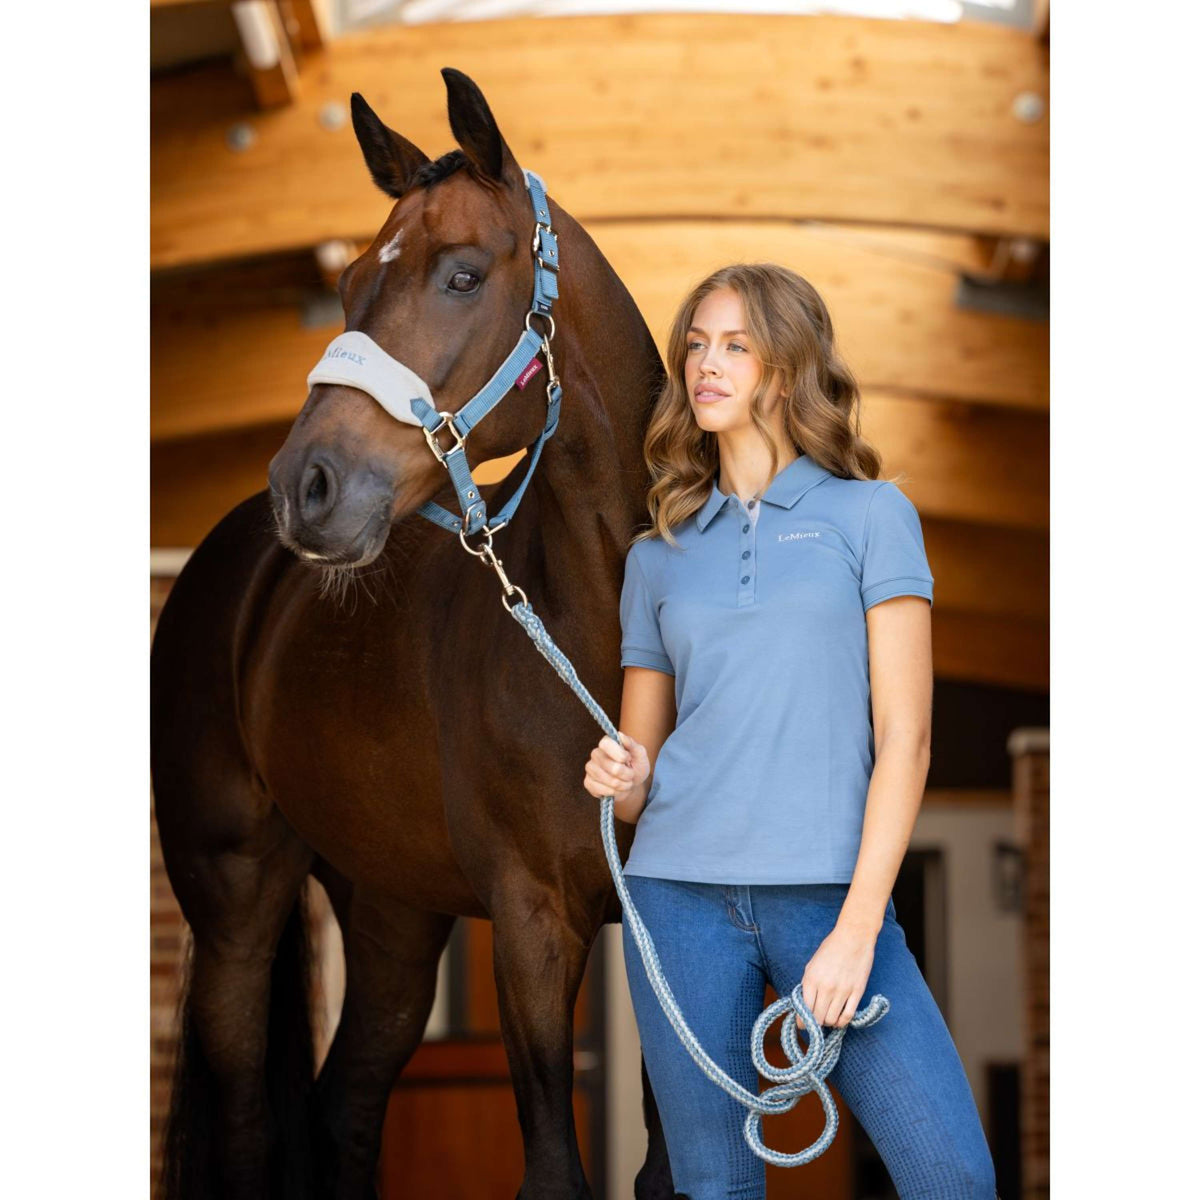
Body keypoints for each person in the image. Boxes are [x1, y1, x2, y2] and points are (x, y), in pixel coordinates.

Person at [583, 264, 997, 1198]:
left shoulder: (872, 516)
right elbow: (641, 777)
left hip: (830, 900)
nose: (706, 364)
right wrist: (622, 775)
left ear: (788, 366)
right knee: (715, 1189)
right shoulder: (658, 556)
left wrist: (857, 930)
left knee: (951, 1176)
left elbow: (906, 741)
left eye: (736, 345)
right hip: (678, 900)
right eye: (696, 345)